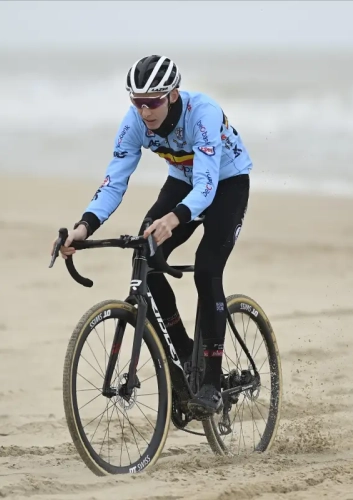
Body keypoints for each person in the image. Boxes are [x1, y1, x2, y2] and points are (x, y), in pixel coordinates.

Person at [55, 54, 252, 416]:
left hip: (226, 183)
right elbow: (114, 181)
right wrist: (85, 226)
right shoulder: (134, 123)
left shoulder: (203, 114)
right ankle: (181, 354)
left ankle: (210, 381)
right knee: (145, 252)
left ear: (173, 95)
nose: (145, 112)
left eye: (153, 103)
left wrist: (174, 219)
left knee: (207, 269)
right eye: (138, 102)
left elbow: (207, 186)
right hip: (183, 181)